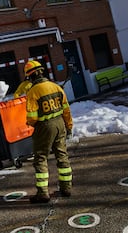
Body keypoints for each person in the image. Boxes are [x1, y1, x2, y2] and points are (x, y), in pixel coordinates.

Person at [24, 60, 74, 203]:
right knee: (62, 155)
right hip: (60, 124)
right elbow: (66, 109)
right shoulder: (56, 87)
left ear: (30, 76)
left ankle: (43, 193)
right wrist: (69, 126)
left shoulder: (33, 91)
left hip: (44, 126)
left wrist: (30, 123)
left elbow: (33, 117)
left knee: (40, 158)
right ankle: (66, 188)